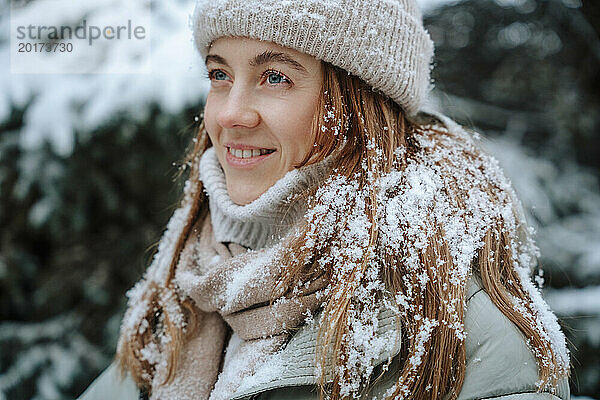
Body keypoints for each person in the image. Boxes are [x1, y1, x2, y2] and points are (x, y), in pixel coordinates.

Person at [78, 0, 572, 399]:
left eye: (275, 77)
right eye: (219, 74)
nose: (229, 113)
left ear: (361, 104)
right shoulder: (186, 283)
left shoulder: (453, 325)